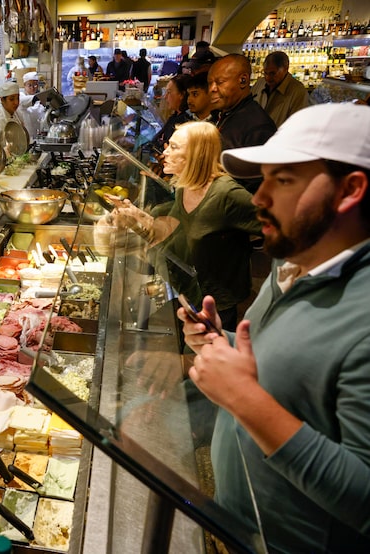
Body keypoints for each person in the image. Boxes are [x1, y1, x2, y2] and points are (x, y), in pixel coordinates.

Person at [181, 103, 370, 553]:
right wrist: (222, 344)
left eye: (283, 180)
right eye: (262, 178)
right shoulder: (295, 259)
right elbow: (287, 368)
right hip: (242, 526)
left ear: (350, 189)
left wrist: (243, 398)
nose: (259, 198)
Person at [99, 122, 261, 331]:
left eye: (174, 147)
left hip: (217, 303)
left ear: (196, 155)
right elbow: (172, 230)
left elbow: (279, 227)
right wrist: (134, 214)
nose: (164, 152)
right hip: (191, 292)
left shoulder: (227, 194)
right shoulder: (185, 187)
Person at [208, 54, 276, 192]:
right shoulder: (225, 114)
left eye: (219, 82)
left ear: (243, 80)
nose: (212, 89)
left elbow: (254, 188)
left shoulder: (258, 127)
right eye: (210, 83)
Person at [251, 50, 310, 128]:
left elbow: (297, 125)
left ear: (285, 69)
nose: (268, 78)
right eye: (265, 73)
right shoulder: (260, 83)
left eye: (273, 73)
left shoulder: (298, 91)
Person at [151, 74, 192, 157]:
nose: (165, 97)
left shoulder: (185, 122)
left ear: (181, 95)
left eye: (169, 92)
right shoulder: (175, 116)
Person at [0, 81, 24, 146]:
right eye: (12, 99)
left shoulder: (18, 113)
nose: (16, 102)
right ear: (2, 100)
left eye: (18, 98)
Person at [16, 71, 47, 139]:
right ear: (24, 85)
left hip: (39, 136)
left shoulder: (39, 100)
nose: (32, 88)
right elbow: (23, 101)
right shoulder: (21, 96)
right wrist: (39, 98)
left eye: (35, 85)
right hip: (26, 135)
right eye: (29, 85)